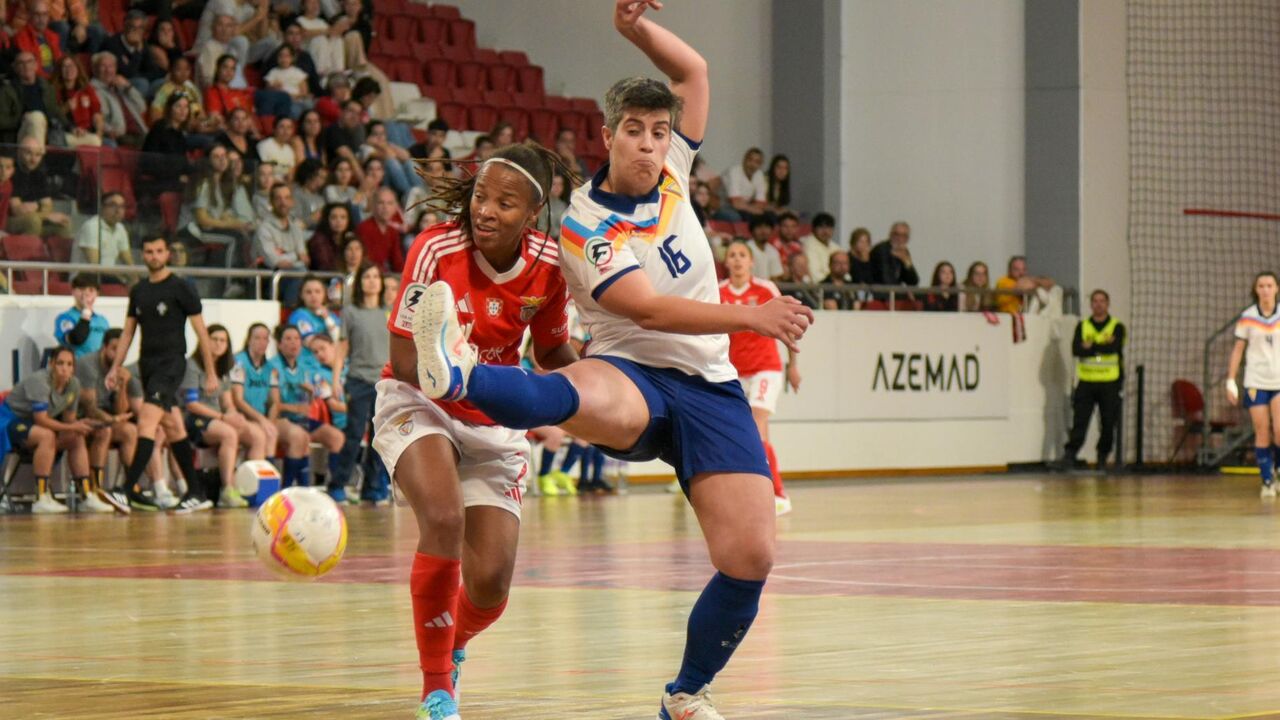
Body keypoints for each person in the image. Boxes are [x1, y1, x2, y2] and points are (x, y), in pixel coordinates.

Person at [407, 4, 813, 717]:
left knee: (751, 557)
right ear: (608, 135)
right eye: (636, 131)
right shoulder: (585, 224)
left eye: (661, 132)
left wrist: (635, 30)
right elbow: (648, 309)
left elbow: (694, 71)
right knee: (590, 395)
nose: (652, 145)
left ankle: (684, 695)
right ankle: (457, 371)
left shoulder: (677, 172)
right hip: (633, 370)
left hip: (712, 388)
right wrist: (752, 313)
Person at [371, 141, 577, 719]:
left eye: (504, 203)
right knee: (441, 517)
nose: (484, 210)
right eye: (481, 196)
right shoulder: (436, 247)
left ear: (531, 215)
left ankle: (450, 643)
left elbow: (554, 348)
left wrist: (607, 385)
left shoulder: (550, 266)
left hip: (496, 419)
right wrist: (454, 379)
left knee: (490, 584)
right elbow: (403, 356)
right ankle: (437, 690)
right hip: (419, 400)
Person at [106, 235, 220, 513]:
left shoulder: (181, 287)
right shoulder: (139, 290)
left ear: (168, 253)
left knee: (147, 422)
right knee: (173, 427)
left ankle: (127, 490)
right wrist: (115, 366)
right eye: (148, 251)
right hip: (148, 365)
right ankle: (196, 492)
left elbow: (201, 332)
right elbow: (129, 332)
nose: (154, 256)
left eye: (159, 251)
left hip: (171, 365)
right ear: (143, 255)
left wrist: (210, 372)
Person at [719, 240, 801, 515]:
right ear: (726, 262)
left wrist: (793, 365)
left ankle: (778, 492)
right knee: (743, 433)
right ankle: (756, 493)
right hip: (733, 372)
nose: (738, 259)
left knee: (756, 425)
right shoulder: (718, 292)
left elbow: (789, 325)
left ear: (752, 262)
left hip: (766, 367)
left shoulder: (765, 289)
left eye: (742, 254)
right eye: (732, 254)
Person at [180, 323, 266, 508]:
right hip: (195, 419)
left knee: (257, 434)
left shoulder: (224, 369)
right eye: (214, 339)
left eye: (223, 341)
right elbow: (192, 404)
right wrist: (223, 418)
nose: (219, 344)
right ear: (204, 342)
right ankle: (227, 490)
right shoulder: (192, 365)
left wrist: (235, 416)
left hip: (219, 418)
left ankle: (252, 488)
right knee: (229, 433)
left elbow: (227, 403)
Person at [0, 346, 95, 514]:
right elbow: (41, 419)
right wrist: (72, 426)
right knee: (46, 435)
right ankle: (41, 498)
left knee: (76, 437)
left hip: (34, 423)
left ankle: (86, 495)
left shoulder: (74, 384)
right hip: (10, 420)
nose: (64, 368)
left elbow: (69, 420)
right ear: (51, 364)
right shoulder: (39, 381)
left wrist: (79, 426)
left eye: (69, 364)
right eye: (60, 363)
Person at [336, 260, 389, 503]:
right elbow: (342, 347)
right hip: (358, 380)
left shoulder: (389, 312)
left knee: (380, 439)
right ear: (360, 283)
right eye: (367, 277)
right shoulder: (350, 312)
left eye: (375, 277)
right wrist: (336, 378)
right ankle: (337, 483)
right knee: (354, 434)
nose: (371, 281)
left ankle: (372, 486)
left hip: (385, 383)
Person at [1058, 288, 1127, 473]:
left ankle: (1102, 456)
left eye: (1102, 301)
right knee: (1080, 422)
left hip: (1109, 382)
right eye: (1095, 301)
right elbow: (1076, 350)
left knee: (1107, 423)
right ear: (1091, 305)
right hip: (1086, 382)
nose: (1098, 304)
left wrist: (1092, 347)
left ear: (1108, 304)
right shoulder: (1083, 326)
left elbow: (1113, 348)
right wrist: (1101, 347)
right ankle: (1070, 455)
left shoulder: (1117, 326)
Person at [1226, 273, 1280, 496]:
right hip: (1255, 380)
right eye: (1261, 286)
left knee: (1279, 429)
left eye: (1269, 285)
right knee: (1262, 429)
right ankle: (1266, 480)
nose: (1265, 289)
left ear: (1276, 288)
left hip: (1278, 380)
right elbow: (1238, 349)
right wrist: (1231, 379)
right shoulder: (1247, 317)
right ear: (1256, 290)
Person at [268, 324, 340, 490]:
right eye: (288, 338)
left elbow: (314, 394)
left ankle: (334, 487)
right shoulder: (273, 366)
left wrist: (312, 393)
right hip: (279, 418)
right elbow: (275, 404)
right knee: (300, 437)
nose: (293, 343)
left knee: (336, 437)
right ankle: (287, 488)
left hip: (302, 419)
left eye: (297, 339)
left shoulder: (305, 367)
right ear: (279, 344)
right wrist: (297, 408)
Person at [75, 327, 139, 513]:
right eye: (114, 348)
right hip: (81, 416)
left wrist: (123, 385)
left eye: (123, 350)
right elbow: (90, 407)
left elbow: (121, 409)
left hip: (107, 418)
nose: (119, 354)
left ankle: (130, 487)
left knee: (130, 431)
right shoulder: (87, 364)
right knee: (105, 430)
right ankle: (96, 488)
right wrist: (112, 419)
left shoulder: (122, 370)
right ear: (104, 347)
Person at [230, 322, 281, 464]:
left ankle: (269, 480)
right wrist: (261, 420)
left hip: (259, 417)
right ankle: (254, 482)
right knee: (260, 435)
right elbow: (238, 400)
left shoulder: (271, 368)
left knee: (271, 432)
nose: (262, 342)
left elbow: (275, 403)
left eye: (265, 338)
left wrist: (270, 422)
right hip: (241, 416)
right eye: (257, 338)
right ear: (248, 340)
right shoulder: (238, 363)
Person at [254, 182, 310, 301]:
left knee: (304, 275)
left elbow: (305, 259)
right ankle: (289, 310)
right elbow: (274, 261)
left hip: (293, 275)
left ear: (292, 201)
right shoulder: (264, 228)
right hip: (270, 280)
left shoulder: (295, 227)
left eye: (286, 198)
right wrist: (296, 256)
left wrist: (285, 255)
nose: (283, 202)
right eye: (278, 198)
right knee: (299, 272)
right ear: (271, 202)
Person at [8, 136, 73, 238]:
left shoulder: (39, 175)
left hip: (35, 219)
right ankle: (28, 253)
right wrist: (46, 215)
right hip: (9, 221)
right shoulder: (11, 172)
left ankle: (56, 254)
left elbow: (47, 206)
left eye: (38, 155)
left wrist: (40, 211)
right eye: (28, 153)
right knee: (33, 220)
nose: (33, 160)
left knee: (63, 224)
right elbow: (17, 211)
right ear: (19, 152)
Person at [54, 274, 111, 357]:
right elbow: (76, 339)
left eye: (91, 290)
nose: (86, 294)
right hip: (77, 366)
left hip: (98, 367)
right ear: (73, 291)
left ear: (97, 294)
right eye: (82, 289)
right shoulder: (65, 318)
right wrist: (87, 311)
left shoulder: (102, 321)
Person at [51, 55, 103, 147]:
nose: (69, 69)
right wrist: (66, 107)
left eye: (72, 66)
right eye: (65, 66)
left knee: (106, 143)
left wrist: (99, 133)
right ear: (60, 70)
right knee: (94, 141)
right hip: (65, 133)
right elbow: (53, 116)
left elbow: (97, 114)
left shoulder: (87, 89)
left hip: (87, 132)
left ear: (78, 69)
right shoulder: (54, 90)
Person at [357, 187, 405, 273]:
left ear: (395, 207)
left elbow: (397, 261)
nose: (385, 207)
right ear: (373, 206)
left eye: (390, 203)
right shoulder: (364, 228)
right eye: (381, 203)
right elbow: (367, 261)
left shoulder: (392, 231)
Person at [288, 274, 343, 349]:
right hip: (308, 359)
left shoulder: (331, 315)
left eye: (317, 291)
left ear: (324, 295)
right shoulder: (299, 315)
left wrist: (327, 318)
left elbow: (340, 340)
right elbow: (311, 343)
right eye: (308, 292)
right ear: (301, 295)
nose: (313, 295)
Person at [720, 146, 766, 222]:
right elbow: (736, 203)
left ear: (760, 165)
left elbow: (761, 204)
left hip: (745, 208)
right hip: (723, 206)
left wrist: (751, 208)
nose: (752, 164)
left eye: (757, 162)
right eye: (750, 160)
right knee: (736, 217)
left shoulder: (759, 174)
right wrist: (752, 209)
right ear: (744, 160)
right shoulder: (734, 171)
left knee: (768, 217)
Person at [870, 220, 919, 288]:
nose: (900, 238)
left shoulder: (904, 252)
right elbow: (886, 280)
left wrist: (907, 262)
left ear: (907, 238)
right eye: (897, 234)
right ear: (890, 235)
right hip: (880, 293)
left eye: (904, 236)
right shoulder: (881, 249)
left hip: (894, 293)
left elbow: (913, 281)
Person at [309, 202, 353, 271]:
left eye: (343, 217)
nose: (339, 221)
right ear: (327, 219)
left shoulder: (350, 238)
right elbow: (326, 266)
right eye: (334, 217)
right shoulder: (319, 240)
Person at [745, 215, 783, 281]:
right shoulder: (745, 249)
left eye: (767, 227)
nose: (763, 231)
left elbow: (775, 278)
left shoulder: (773, 251)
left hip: (766, 289)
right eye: (759, 227)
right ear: (752, 231)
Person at [802, 212, 837, 279]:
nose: (825, 231)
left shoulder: (835, 247)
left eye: (829, 227)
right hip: (820, 286)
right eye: (821, 227)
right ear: (813, 229)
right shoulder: (808, 244)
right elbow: (815, 274)